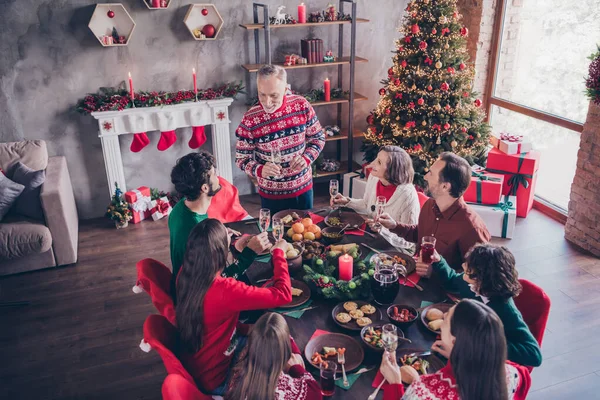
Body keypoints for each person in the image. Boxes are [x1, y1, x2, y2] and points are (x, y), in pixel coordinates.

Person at [176, 219, 292, 395]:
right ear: (221, 252)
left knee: (262, 333)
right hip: (218, 379)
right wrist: (278, 253)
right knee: (280, 343)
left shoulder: (185, 272)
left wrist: (245, 328)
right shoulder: (225, 290)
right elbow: (283, 294)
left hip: (199, 363)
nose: (230, 236)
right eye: (227, 237)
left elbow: (212, 316)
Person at [379, 299, 532, 400]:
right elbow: (523, 375)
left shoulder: (424, 390)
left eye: (445, 320)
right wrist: (460, 354)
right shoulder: (513, 374)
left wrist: (394, 383)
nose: (443, 316)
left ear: (454, 340)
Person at [169, 151, 271, 300]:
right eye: (214, 175)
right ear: (204, 188)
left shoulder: (180, 208)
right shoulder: (202, 234)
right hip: (198, 299)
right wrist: (250, 252)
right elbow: (220, 281)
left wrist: (219, 234)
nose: (218, 178)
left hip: (183, 285)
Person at [428, 243, 542, 367]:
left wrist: (482, 343)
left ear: (482, 277)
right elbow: (452, 281)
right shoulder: (472, 285)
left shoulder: (506, 310)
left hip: (484, 361)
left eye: (468, 266)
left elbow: (534, 355)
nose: (463, 265)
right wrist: (439, 261)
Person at [377, 152, 490, 273]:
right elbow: (420, 233)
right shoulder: (430, 204)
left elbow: (480, 279)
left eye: (430, 173)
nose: (425, 177)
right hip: (415, 275)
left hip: (441, 290)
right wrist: (394, 225)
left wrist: (437, 273)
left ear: (445, 187)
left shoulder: (472, 229)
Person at [235, 64, 325, 214]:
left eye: (273, 95)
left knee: (307, 234)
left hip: (303, 189)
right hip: (271, 196)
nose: (267, 102)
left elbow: (318, 137)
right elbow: (241, 159)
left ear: (285, 89)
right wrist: (260, 169)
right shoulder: (250, 119)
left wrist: (307, 158)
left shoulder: (301, 105)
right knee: (274, 235)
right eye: (262, 94)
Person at [331, 146, 420, 254]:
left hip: (397, 248)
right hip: (374, 235)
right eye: (376, 159)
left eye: (379, 162)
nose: (372, 164)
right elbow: (366, 204)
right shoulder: (375, 178)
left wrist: (381, 230)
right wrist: (346, 201)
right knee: (338, 241)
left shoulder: (407, 196)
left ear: (392, 170)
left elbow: (408, 242)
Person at [226, 312, 322, 400]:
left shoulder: (237, 379)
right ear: (286, 353)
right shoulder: (293, 391)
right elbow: (317, 393)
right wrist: (296, 368)